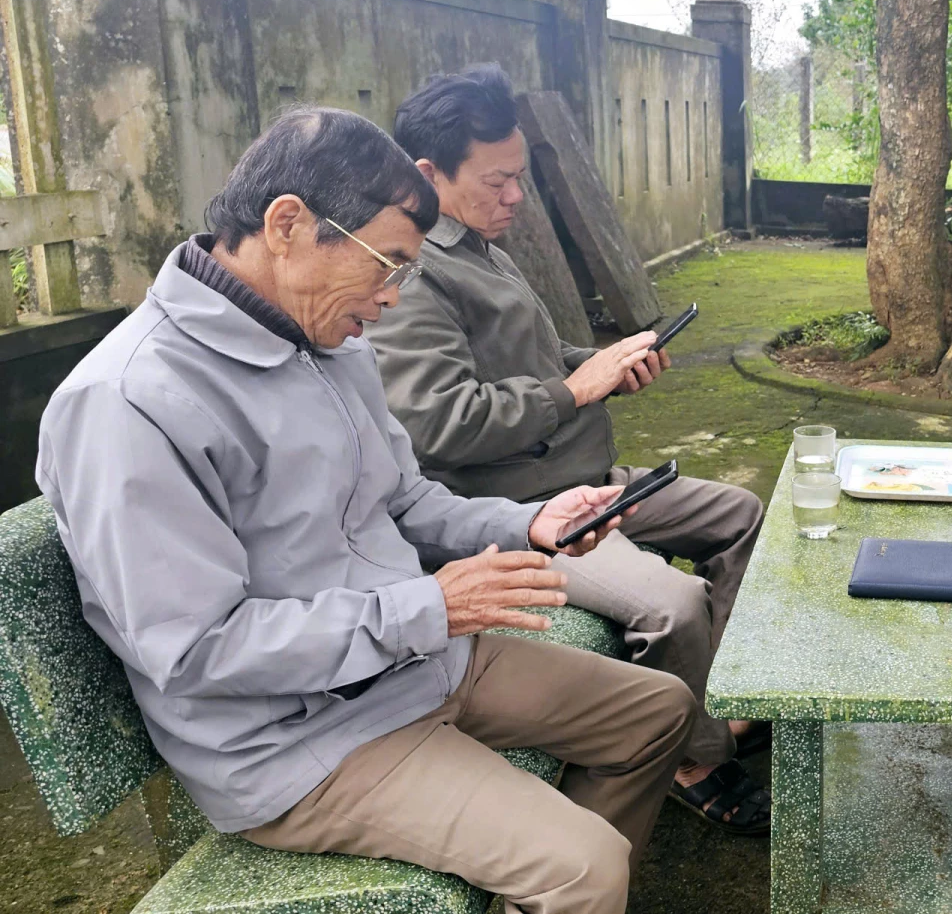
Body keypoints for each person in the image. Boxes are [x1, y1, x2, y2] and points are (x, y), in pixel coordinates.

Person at [37, 107, 694, 914]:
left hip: (416, 663)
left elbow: (404, 498)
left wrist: (527, 524)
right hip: (295, 740)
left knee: (660, 711)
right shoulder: (129, 400)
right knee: (585, 867)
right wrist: (425, 608)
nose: (390, 299)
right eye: (388, 265)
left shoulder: (327, 344)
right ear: (287, 224)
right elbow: (199, 649)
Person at [362, 65, 770, 835]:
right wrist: (576, 390)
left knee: (742, 515)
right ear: (428, 173)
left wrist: (606, 363)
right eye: (498, 180)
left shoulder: (482, 246)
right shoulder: (414, 276)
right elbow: (440, 423)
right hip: (522, 507)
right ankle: (696, 760)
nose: (517, 196)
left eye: (519, 178)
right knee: (674, 603)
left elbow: (534, 361)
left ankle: (719, 706)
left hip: (583, 475)